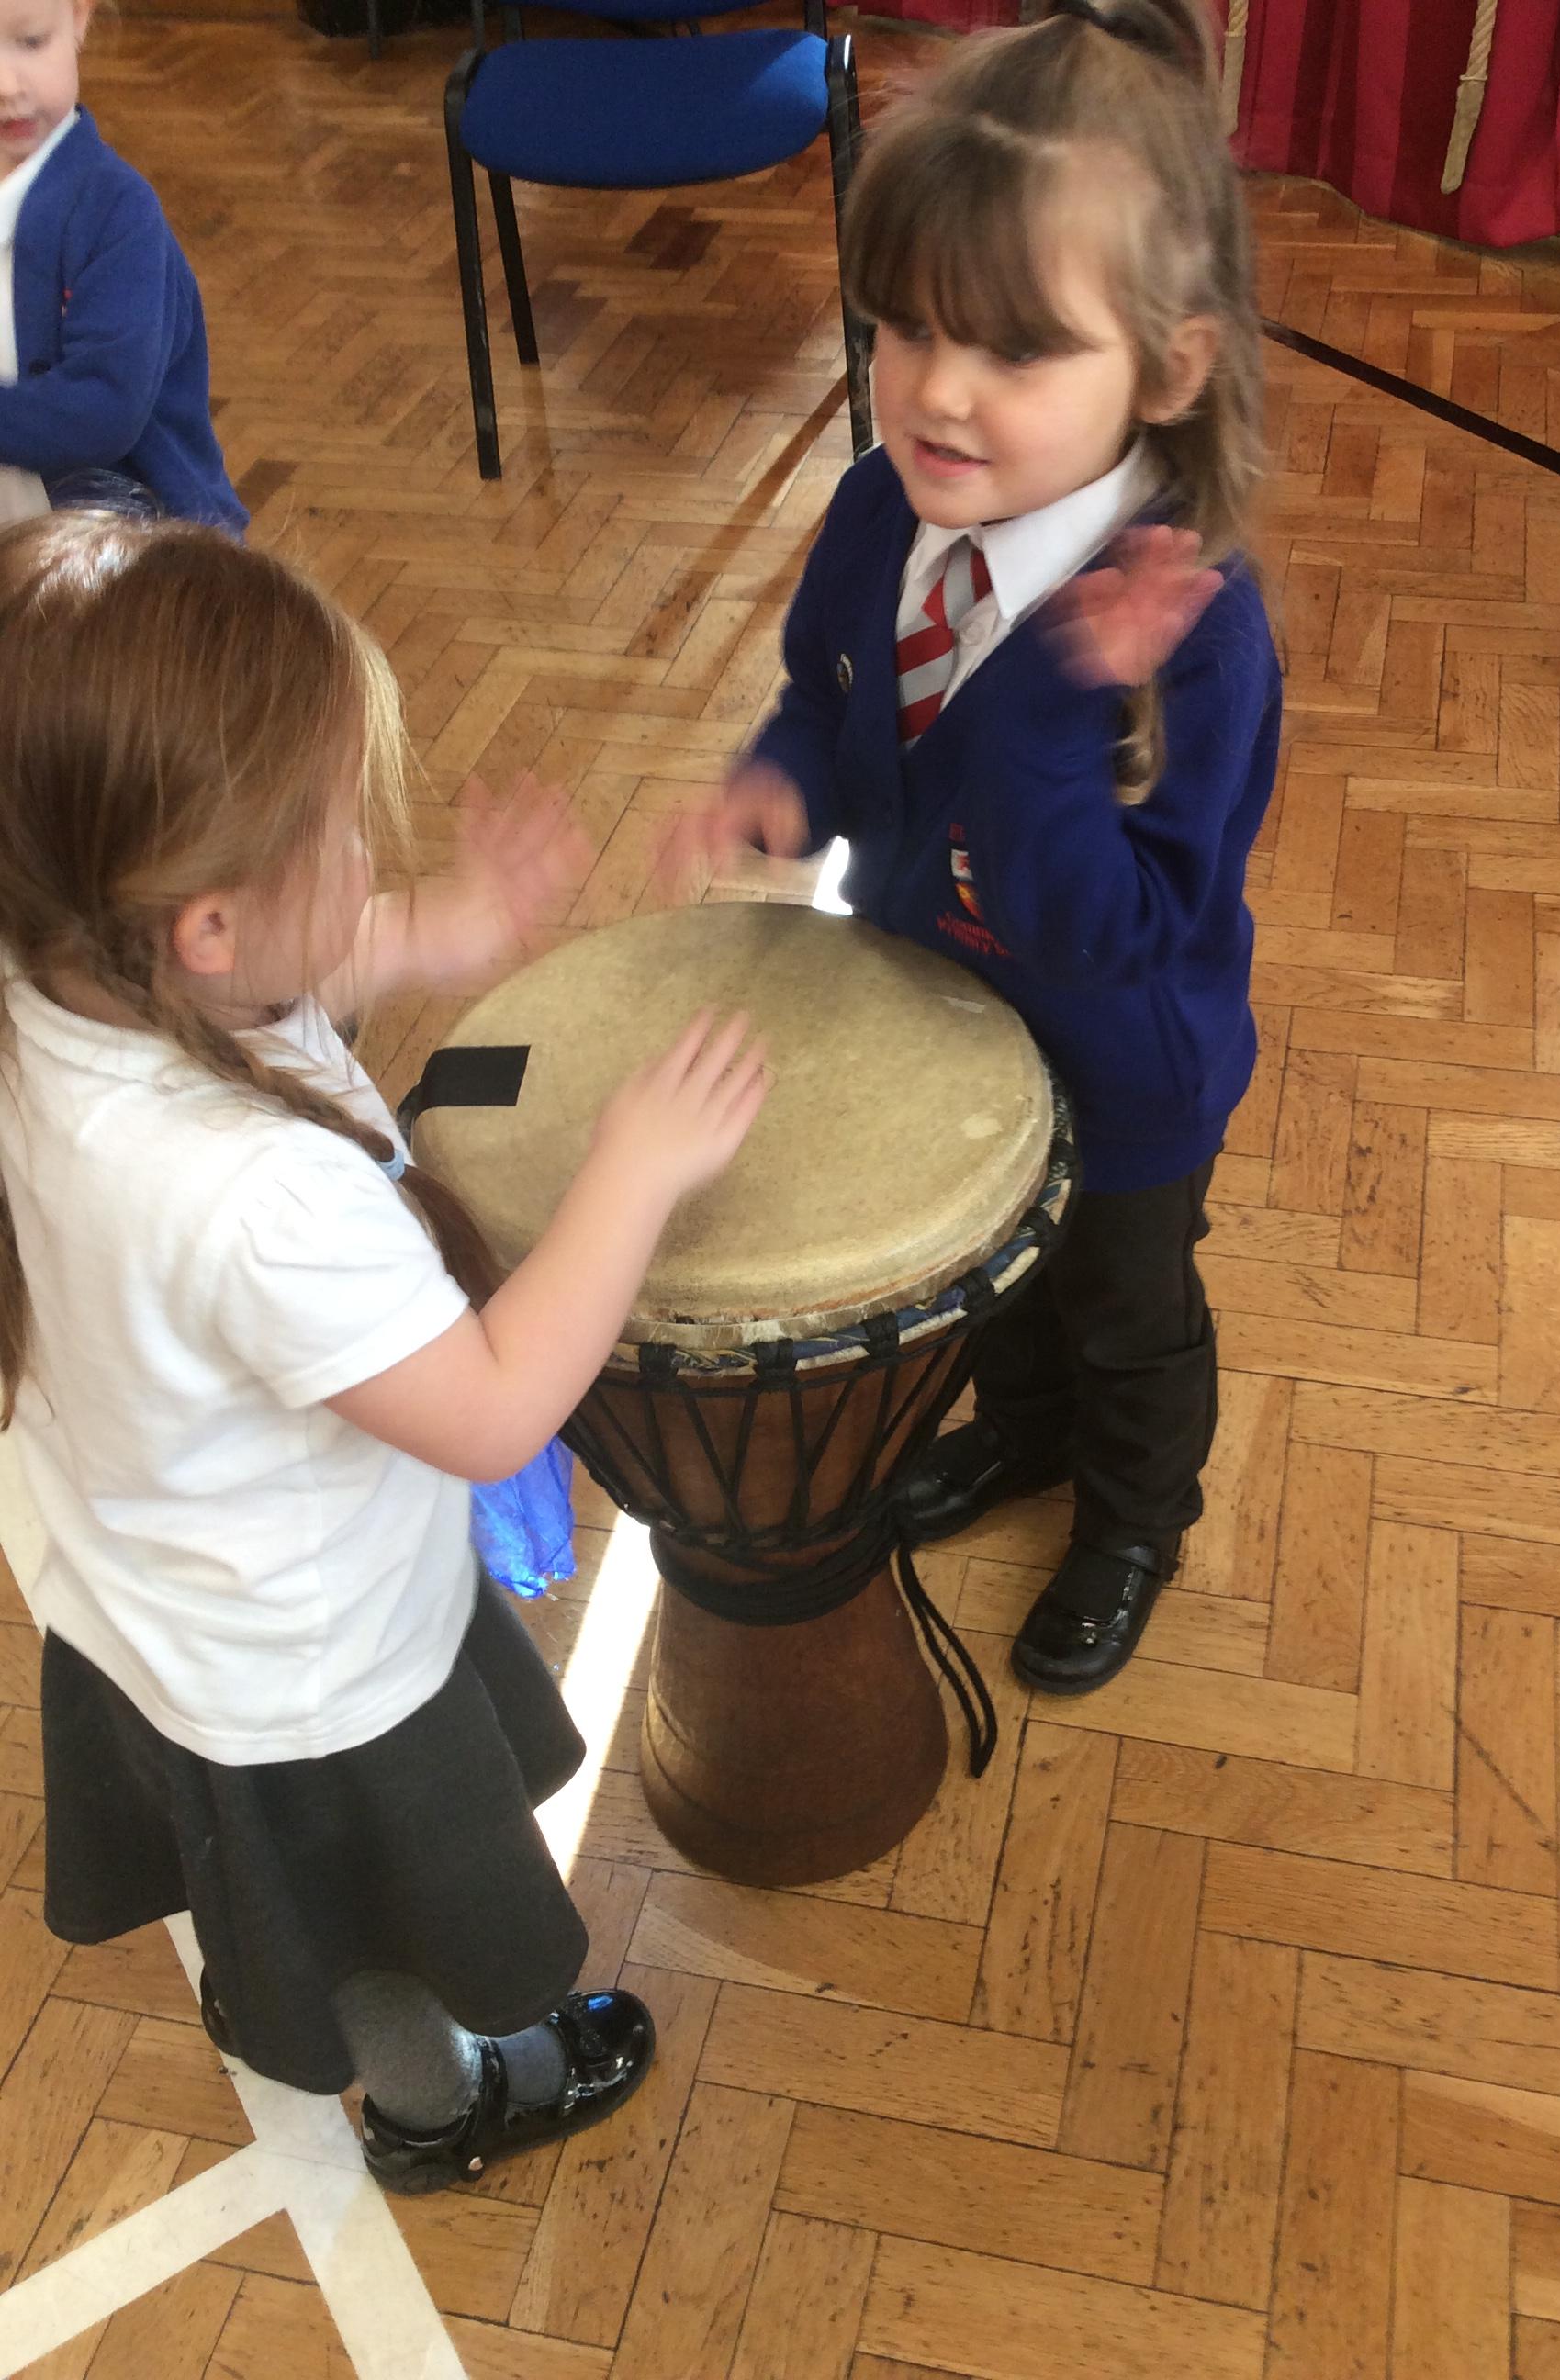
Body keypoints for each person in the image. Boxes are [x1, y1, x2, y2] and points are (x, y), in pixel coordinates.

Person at [0, 513, 765, 2194]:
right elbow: (491, 1414)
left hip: (159, 1599)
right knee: (376, 1931)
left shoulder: (51, 961)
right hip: (310, 1672)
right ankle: (436, 2110)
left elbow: (249, 968)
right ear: (204, 924)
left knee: (291, 1894)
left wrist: (429, 926)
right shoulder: (253, 1199)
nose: (363, 856)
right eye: (343, 833)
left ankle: (300, 1979)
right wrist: (630, 1174)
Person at [671, 0, 1280, 1695]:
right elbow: (828, 695)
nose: (937, 389)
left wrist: (1041, 715)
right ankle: (1023, 1434)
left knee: (1122, 1311)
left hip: (1123, 1070)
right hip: (933, 1016)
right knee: (994, 1281)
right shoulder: (887, 503)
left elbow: (1099, 927)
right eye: (908, 323)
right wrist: (780, 780)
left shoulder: (1191, 634)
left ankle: (1136, 1516)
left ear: (1167, 367)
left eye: (1014, 349)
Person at [0, 0, 244, 530]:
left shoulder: (116, 212)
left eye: (32, 42)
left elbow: (102, 411)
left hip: (134, 555)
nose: (6, 85)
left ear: (79, 19)